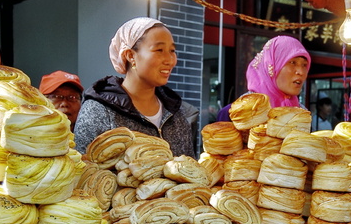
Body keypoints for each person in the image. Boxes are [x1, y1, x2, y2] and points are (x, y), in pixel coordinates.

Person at [73, 17, 196, 158]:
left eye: (172, 50)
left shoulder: (177, 113)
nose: (170, 60)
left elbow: (189, 168)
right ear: (130, 55)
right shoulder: (98, 111)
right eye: (159, 50)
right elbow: (81, 170)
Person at [216, 35, 311, 122]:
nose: (301, 72)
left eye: (304, 65)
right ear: (271, 66)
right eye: (292, 63)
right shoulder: (234, 114)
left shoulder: (303, 116)